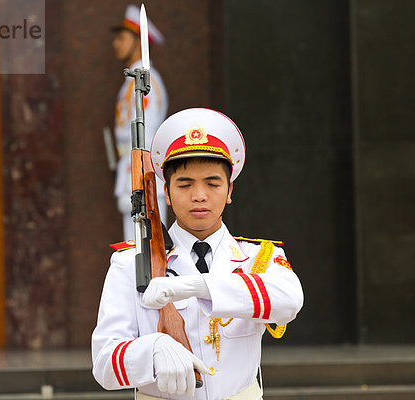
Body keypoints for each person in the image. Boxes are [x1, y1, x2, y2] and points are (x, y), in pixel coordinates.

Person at [92, 108, 304, 400]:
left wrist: (195, 286)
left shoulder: (257, 257)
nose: (199, 195)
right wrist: (152, 349)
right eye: (185, 184)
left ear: (229, 190)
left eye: (212, 183)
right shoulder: (131, 262)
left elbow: (290, 300)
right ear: (166, 193)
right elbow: (105, 364)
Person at [112, 4, 169, 240]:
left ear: (139, 42)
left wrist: (139, 166)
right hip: (130, 165)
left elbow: (147, 129)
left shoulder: (146, 81)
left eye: (122, 37)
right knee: (133, 240)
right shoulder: (131, 80)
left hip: (142, 166)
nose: (116, 43)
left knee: (147, 241)